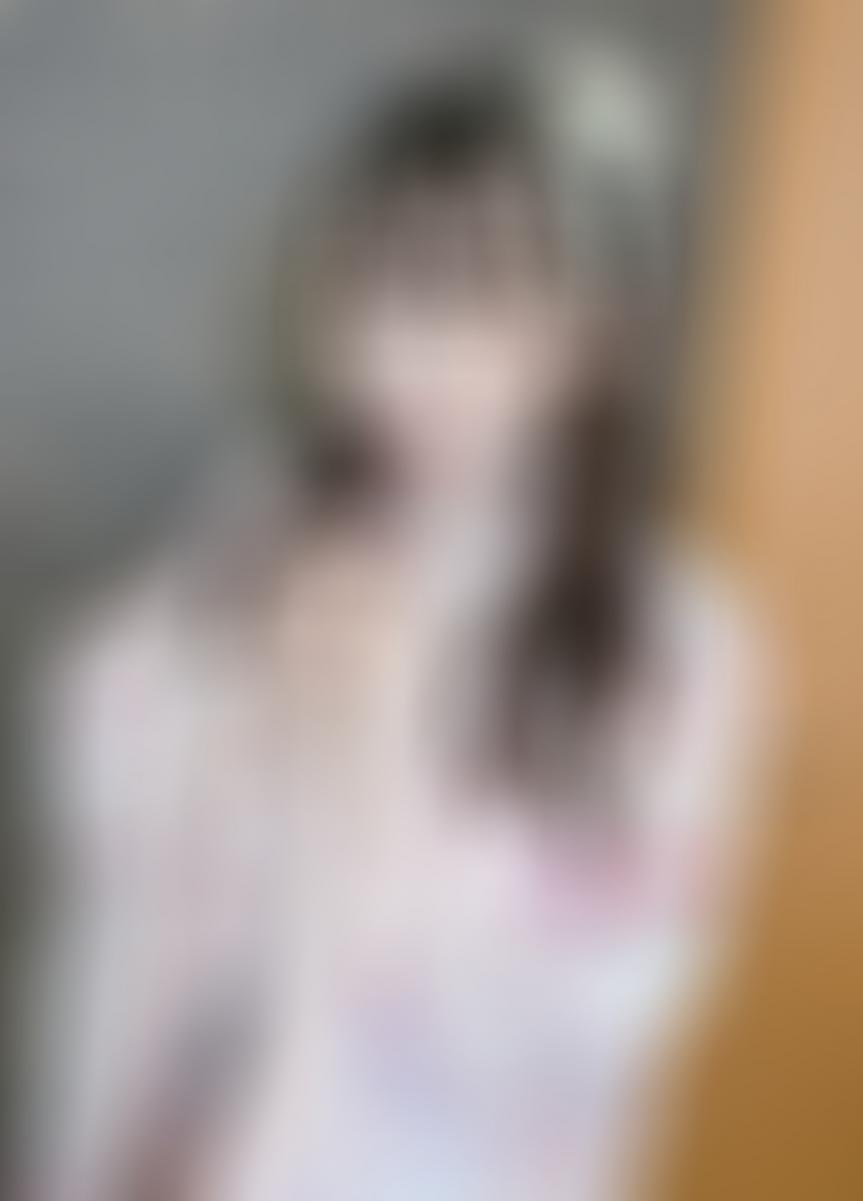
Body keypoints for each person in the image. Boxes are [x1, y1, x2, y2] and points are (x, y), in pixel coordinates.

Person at [27, 45, 770, 1201]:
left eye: (476, 297)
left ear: (598, 328)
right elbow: (106, 799)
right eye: (375, 286)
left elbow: (590, 1022)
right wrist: (237, 706)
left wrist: (373, 755)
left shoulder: (673, 645)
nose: (404, 349)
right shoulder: (267, 527)